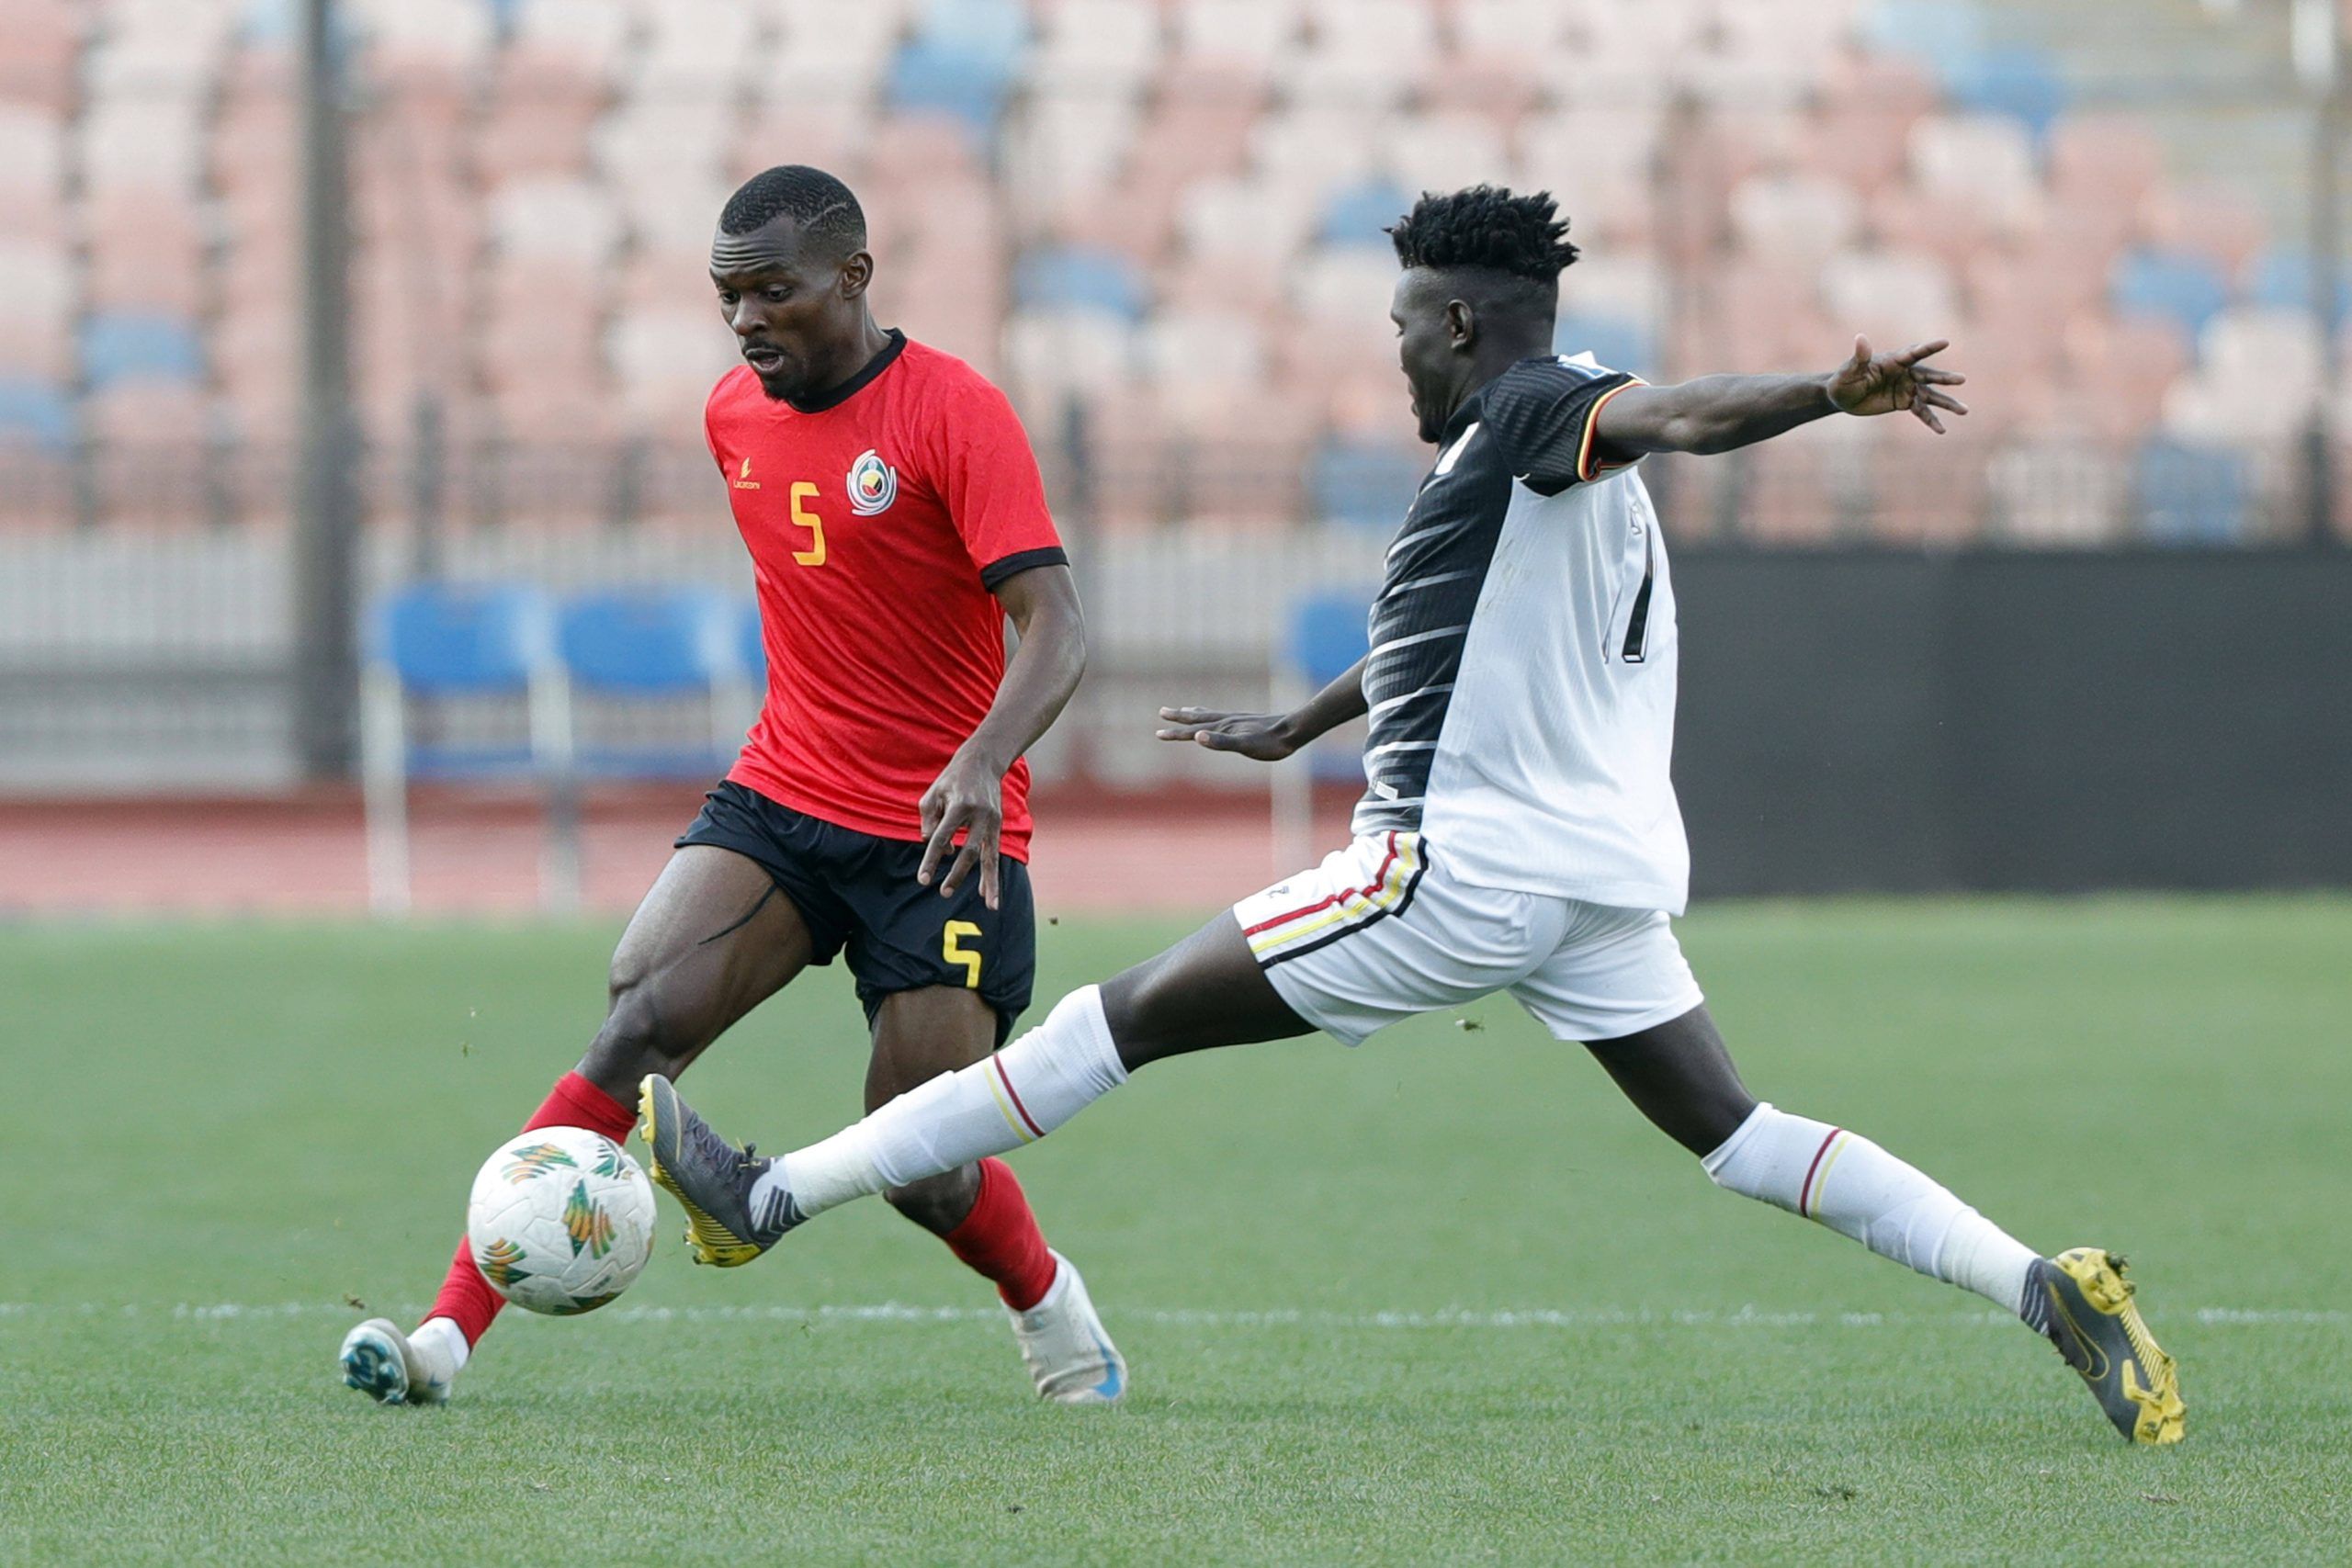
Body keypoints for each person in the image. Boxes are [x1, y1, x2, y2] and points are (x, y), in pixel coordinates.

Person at [635, 185, 2183, 1444]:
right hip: (1595, 883)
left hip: (1454, 873)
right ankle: (2046, 1287)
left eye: (1398, 329)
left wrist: (1820, 396)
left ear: (1457, 321)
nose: (1394, 359)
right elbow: (1450, 640)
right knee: (1737, 1133)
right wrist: (1301, 723)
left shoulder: (1532, 409)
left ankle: (771, 1199)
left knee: (1110, 1027)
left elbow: (1679, 412)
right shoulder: (1534, 478)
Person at [339, 165, 1125, 1407]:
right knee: (638, 1014)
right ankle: (446, 1335)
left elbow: (1060, 627)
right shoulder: (732, 417)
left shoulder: (953, 412)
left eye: (775, 290)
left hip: (942, 836)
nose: (749, 319)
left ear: (853, 279)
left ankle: (1051, 1305)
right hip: (785, 798)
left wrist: (982, 757)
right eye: (728, 298)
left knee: (924, 1157)